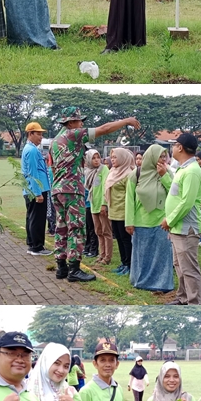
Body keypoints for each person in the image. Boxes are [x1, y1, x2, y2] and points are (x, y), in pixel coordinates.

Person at [50, 107, 141, 282]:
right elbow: (104, 129)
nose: (82, 124)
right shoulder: (73, 134)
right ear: (70, 123)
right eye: (78, 121)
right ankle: (74, 269)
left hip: (58, 189)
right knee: (76, 229)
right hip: (71, 190)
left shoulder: (55, 140)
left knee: (61, 228)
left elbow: (54, 166)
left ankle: (61, 267)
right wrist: (126, 121)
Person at [125, 145, 175, 292]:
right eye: (160, 156)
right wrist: (129, 222)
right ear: (152, 157)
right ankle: (140, 281)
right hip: (141, 221)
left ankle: (162, 283)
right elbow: (129, 199)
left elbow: (174, 193)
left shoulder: (168, 172)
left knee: (161, 255)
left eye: (165, 156)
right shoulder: (136, 174)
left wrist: (164, 176)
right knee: (142, 254)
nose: (163, 159)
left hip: (162, 221)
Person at [163, 133, 201, 305]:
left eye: (174, 145)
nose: (172, 148)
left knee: (189, 269)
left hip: (186, 228)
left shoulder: (192, 171)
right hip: (178, 227)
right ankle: (183, 298)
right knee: (179, 266)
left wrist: (170, 220)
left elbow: (186, 202)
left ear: (180, 147)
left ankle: (194, 303)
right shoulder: (183, 169)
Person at [22, 122, 53, 256]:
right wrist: (37, 193)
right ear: (30, 134)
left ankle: (32, 244)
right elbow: (33, 173)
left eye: (41, 134)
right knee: (37, 219)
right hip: (37, 189)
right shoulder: (33, 150)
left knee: (31, 217)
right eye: (38, 134)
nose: (41, 137)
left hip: (32, 189)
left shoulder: (29, 148)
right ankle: (37, 247)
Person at [105, 147, 137, 275]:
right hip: (113, 210)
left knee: (125, 239)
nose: (112, 160)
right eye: (111, 157)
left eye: (115, 157)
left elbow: (131, 195)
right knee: (118, 237)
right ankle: (123, 263)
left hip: (124, 211)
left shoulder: (129, 173)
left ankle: (129, 264)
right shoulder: (113, 171)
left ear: (123, 158)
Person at [85, 150, 112, 264]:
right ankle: (101, 255)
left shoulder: (103, 169)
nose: (96, 160)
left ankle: (107, 257)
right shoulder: (89, 171)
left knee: (106, 232)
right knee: (98, 231)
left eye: (98, 157)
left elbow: (105, 188)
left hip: (101, 205)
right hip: (93, 205)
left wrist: (104, 204)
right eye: (93, 158)